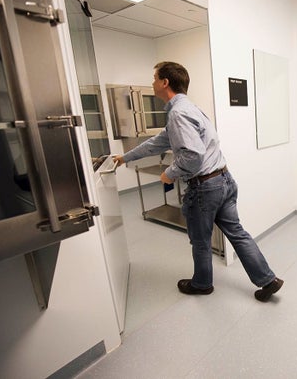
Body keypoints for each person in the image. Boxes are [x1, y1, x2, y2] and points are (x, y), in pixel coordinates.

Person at [113, 61, 284, 301]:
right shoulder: (190, 109)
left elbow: (193, 156)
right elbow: (157, 143)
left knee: (201, 240)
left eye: (154, 78)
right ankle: (268, 280)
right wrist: (125, 158)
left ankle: (202, 284)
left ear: (165, 82)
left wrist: (168, 173)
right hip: (224, 179)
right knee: (237, 233)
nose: (152, 83)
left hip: (205, 187)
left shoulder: (178, 113)